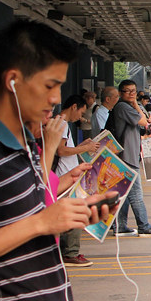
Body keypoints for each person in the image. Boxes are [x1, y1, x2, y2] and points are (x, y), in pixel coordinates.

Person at [0, 19, 115, 301]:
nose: (55, 99)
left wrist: (77, 210)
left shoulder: (26, 141)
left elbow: (32, 210)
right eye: (49, 85)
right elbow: (33, 221)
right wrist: (43, 221)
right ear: (12, 81)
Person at [107, 80, 151, 237]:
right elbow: (143, 121)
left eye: (134, 90)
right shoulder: (123, 107)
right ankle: (144, 226)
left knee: (124, 194)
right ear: (120, 93)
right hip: (127, 157)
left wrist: (135, 103)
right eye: (127, 91)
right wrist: (134, 103)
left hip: (127, 155)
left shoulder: (127, 106)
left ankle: (120, 226)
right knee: (136, 195)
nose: (132, 93)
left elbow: (143, 119)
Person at [54, 96, 97, 267]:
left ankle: (68, 251)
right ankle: (70, 253)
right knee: (76, 213)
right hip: (65, 175)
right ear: (73, 107)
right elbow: (62, 151)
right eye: (80, 112)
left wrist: (81, 145)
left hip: (67, 173)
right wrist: (85, 148)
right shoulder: (62, 123)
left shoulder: (62, 124)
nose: (80, 117)